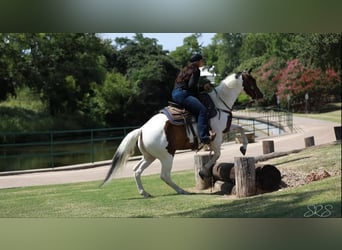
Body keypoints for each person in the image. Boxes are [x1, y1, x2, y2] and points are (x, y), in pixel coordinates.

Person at [172, 54, 216, 145]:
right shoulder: (196, 70)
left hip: (175, 94)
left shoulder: (185, 69)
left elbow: (187, 86)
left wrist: (201, 88)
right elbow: (191, 87)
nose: (203, 62)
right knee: (202, 111)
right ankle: (204, 137)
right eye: (202, 60)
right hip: (183, 95)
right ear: (198, 61)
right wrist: (203, 88)